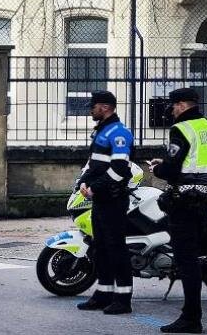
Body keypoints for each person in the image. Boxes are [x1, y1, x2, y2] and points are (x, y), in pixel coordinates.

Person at [150, 88, 207, 334]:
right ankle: (191, 316)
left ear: (180, 105)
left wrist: (158, 169)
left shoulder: (181, 128)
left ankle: (191, 318)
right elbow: (196, 162)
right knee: (193, 258)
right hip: (204, 199)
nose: (171, 110)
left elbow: (172, 169)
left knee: (186, 261)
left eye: (173, 106)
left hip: (183, 202)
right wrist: (168, 164)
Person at [76, 90, 135, 315]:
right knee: (101, 248)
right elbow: (94, 165)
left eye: (94, 106)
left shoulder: (119, 133)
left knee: (116, 248)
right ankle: (103, 294)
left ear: (105, 107)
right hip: (101, 199)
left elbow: (120, 169)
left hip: (113, 199)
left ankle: (123, 299)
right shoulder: (102, 131)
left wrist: (94, 187)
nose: (91, 109)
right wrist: (83, 181)